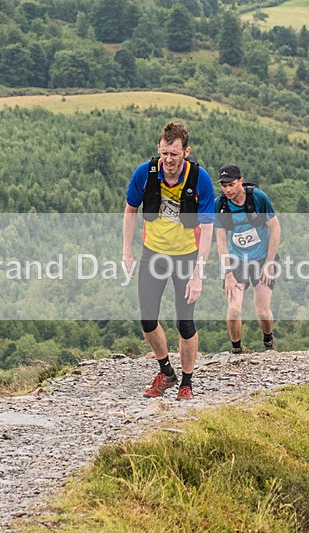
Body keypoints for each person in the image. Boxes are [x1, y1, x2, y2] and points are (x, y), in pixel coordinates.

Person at [122, 122, 215, 400]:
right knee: (147, 320)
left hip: (186, 256)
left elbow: (208, 227)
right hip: (153, 254)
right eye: (164, 153)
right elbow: (130, 210)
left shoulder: (200, 179)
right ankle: (166, 371)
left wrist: (199, 272)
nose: (169, 160)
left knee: (184, 323)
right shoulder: (145, 174)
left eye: (174, 154)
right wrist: (126, 252)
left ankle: (187, 382)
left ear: (186, 151)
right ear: (158, 149)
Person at [215, 163, 281, 354]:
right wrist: (227, 272)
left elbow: (275, 228)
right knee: (234, 309)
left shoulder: (258, 198)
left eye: (231, 184)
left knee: (262, 311)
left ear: (240, 182)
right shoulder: (220, 205)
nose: (227, 189)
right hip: (237, 261)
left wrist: (269, 264)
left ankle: (268, 340)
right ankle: (236, 351)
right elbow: (221, 240)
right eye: (224, 185)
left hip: (262, 258)